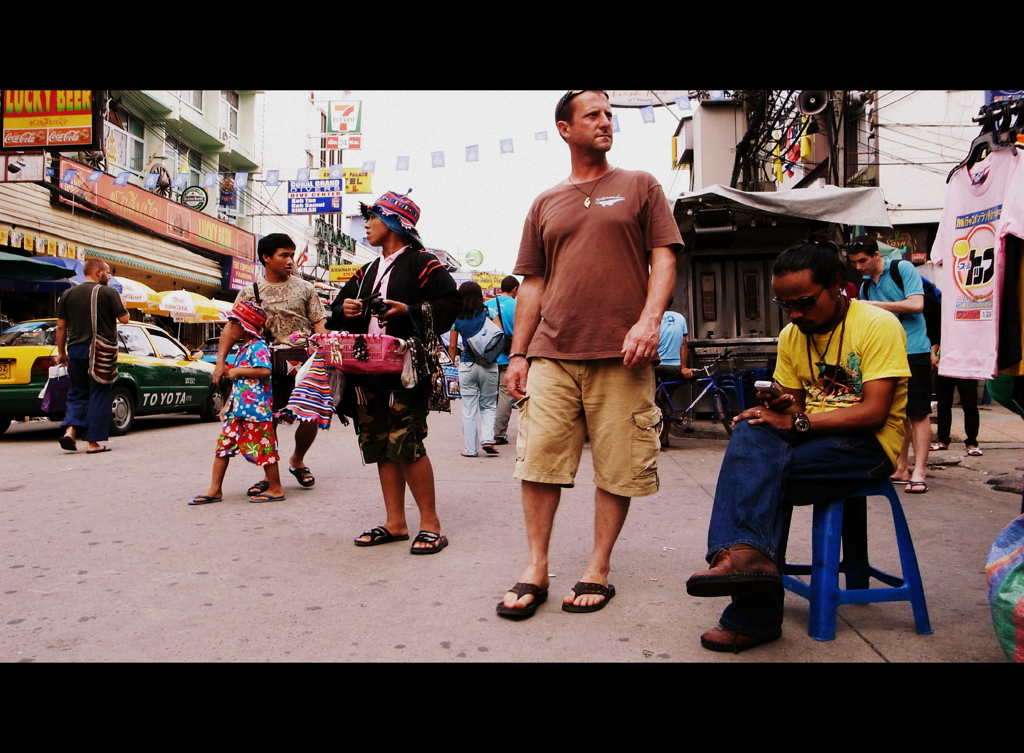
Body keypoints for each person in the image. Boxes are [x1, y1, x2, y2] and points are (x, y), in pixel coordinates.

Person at [497, 90, 683, 619]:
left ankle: (597, 568)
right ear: (564, 128)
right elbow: (531, 285)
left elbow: (664, 258)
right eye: (593, 115)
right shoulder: (545, 202)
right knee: (539, 462)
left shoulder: (641, 185)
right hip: (552, 351)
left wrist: (649, 321)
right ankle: (536, 566)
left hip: (621, 354)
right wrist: (518, 354)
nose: (605, 122)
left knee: (618, 466)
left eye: (609, 114)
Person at [684, 239, 910, 653]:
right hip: (815, 437)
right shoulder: (793, 333)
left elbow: (874, 412)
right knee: (751, 431)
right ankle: (747, 559)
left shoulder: (877, 325)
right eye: (785, 305)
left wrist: (796, 419)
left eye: (805, 302)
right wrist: (778, 404)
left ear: (837, 286)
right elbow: (796, 402)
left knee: (762, 476)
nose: (796, 314)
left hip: (868, 446)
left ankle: (750, 604)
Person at [328, 191, 460, 554]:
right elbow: (336, 309)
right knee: (379, 444)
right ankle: (396, 522)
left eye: (372, 217)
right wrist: (348, 309)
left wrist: (410, 311)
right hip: (365, 369)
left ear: (392, 222)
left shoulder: (423, 263)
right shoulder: (367, 270)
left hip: (406, 368)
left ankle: (431, 524)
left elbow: (451, 304)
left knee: (406, 442)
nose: (366, 224)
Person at [215, 233, 328, 495]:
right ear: (266, 257)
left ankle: (297, 459)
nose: (290, 260)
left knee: (310, 417)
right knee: (267, 423)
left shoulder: (305, 289)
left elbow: (320, 324)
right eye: (284, 255)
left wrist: (326, 350)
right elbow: (232, 330)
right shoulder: (249, 292)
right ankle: (271, 476)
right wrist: (220, 362)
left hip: (303, 364)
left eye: (292, 255)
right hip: (263, 366)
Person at [847, 235, 932, 494]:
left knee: (918, 412)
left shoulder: (901, 268)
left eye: (863, 260)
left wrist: (871, 305)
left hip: (914, 348)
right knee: (898, 412)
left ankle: (920, 471)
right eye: (854, 262)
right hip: (887, 354)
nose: (859, 267)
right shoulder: (864, 285)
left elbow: (917, 304)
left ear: (876, 255)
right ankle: (901, 467)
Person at [191, 300, 285, 504]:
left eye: (233, 323)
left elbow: (265, 371)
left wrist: (237, 371)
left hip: (255, 410)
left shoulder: (258, 346)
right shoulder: (244, 348)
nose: (230, 328)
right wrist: (227, 404)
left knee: (264, 447)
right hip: (238, 409)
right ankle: (215, 489)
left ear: (244, 326)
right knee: (223, 446)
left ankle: (276, 488)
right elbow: (239, 381)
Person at [56, 259, 130, 454]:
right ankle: (92, 442)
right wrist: (121, 304)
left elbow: (61, 326)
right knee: (99, 393)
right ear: (98, 272)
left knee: (77, 392)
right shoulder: (108, 293)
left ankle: (70, 431)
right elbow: (124, 319)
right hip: (99, 352)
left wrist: (61, 352)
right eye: (107, 272)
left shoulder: (68, 293)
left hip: (75, 351)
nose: (109, 276)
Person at [449, 281, 500, 457]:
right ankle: (487, 439)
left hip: (467, 365)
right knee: (488, 405)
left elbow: (453, 346)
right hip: (489, 364)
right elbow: (498, 337)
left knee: (469, 409)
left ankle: (470, 449)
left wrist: (450, 363)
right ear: (479, 295)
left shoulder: (457, 316)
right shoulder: (489, 312)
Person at [484, 275, 520, 445]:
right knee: (505, 394)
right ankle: (498, 433)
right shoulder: (519, 305)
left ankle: (486, 433)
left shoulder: (487, 305)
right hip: (509, 355)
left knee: (489, 396)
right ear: (514, 289)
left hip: (488, 357)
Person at [931, 342, 981, 455]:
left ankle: (972, 442)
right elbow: (937, 339)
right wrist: (933, 354)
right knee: (943, 404)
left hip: (967, 366)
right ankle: (942, 439)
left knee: (970, 405)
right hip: (945, 364)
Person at [655, 306, 694, 448]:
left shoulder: (653, 316)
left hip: (655, 364)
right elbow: (685, 345)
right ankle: (664, 438)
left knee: (650, 401)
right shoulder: (680, 317)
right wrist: (683, 367)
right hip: (674, 366)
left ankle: (653, 437)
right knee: (666, 400)